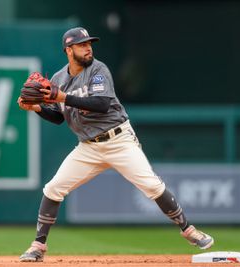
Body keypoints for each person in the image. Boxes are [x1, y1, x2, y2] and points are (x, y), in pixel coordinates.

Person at [18, 27, 214, 262]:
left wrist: (62, 97)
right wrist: (37, 108)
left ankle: (189, 230)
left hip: (118, 140)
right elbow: (60, 117)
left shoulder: (98, 70)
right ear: (69, 50)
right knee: (53, 189)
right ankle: (38, 246)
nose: (88, 48)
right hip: (88, 147)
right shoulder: (59, 79)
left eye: (89, 43)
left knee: (152, 186)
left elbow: (101, 104)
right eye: (82, 45)